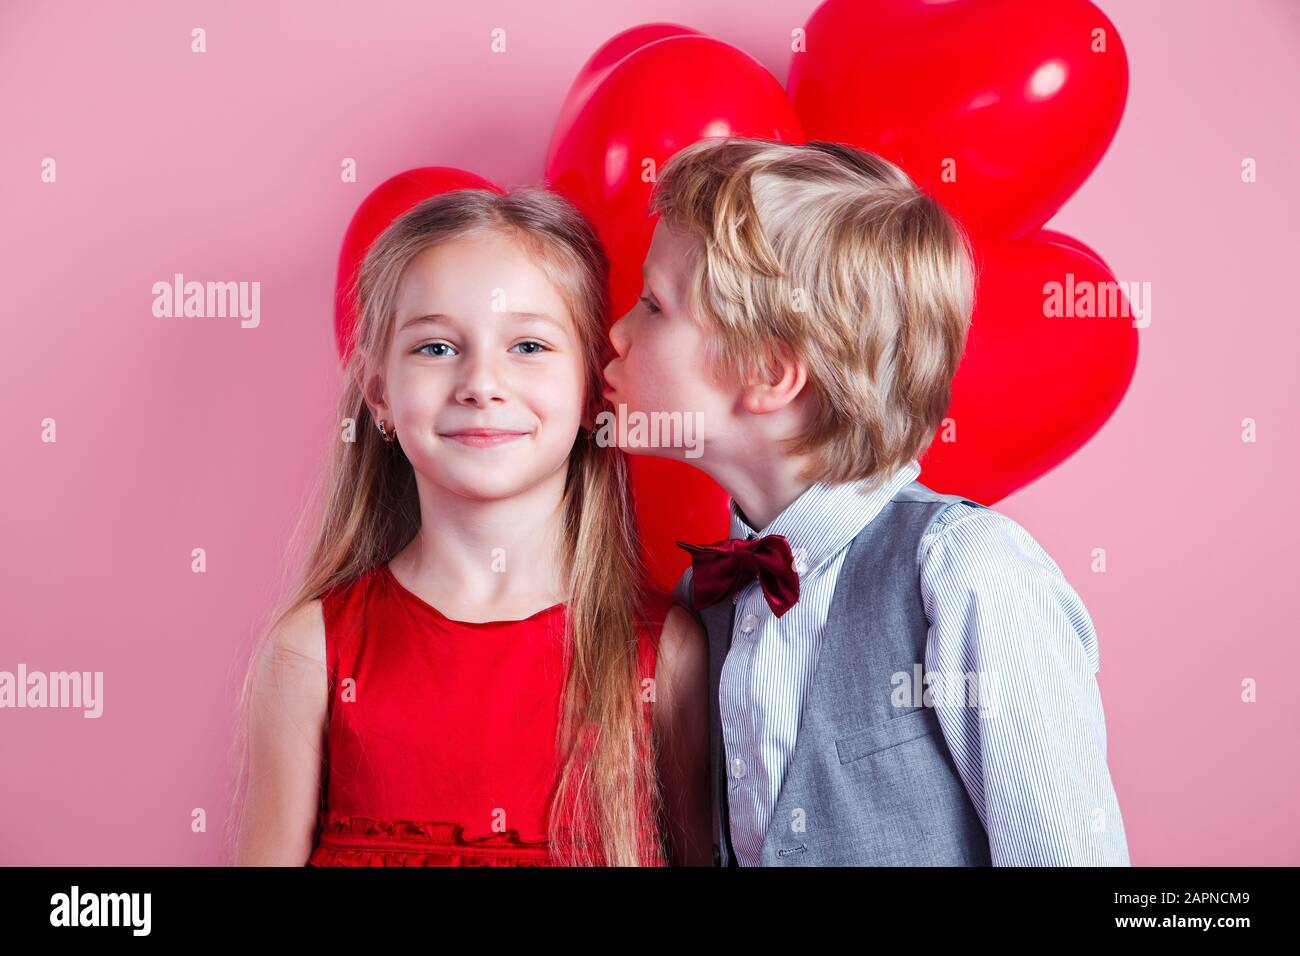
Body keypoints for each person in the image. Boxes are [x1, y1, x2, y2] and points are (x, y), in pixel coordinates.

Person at [602, 136, 1131, 866]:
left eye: (653, 305)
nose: (617, 331)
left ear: (769, 372)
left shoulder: (963, 572)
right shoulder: (707, 599)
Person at [228, 187, 712, 866]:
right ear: (378, 395)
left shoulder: (668, 658)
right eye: (434, 347)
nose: (482, 383)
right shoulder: (310, 653)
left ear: (589, 391)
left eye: (528, 344)